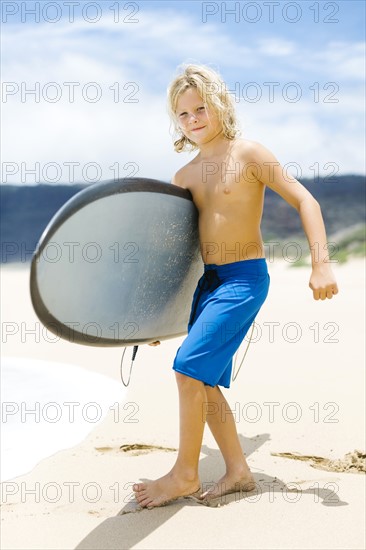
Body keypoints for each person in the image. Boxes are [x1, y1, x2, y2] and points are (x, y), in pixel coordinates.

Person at [133, 64, 339, 509]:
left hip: (244, 280)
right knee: (203, 381)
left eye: (200, 108)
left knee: (188, 367)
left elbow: (307, 199)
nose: (193, 120)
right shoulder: (183, 177)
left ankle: (184, 474)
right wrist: (156, 316)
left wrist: (321, 264)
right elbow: (180, 255)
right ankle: (239, 471)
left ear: (220, 104)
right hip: (207, 284)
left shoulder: (248, 154)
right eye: (183, 115)